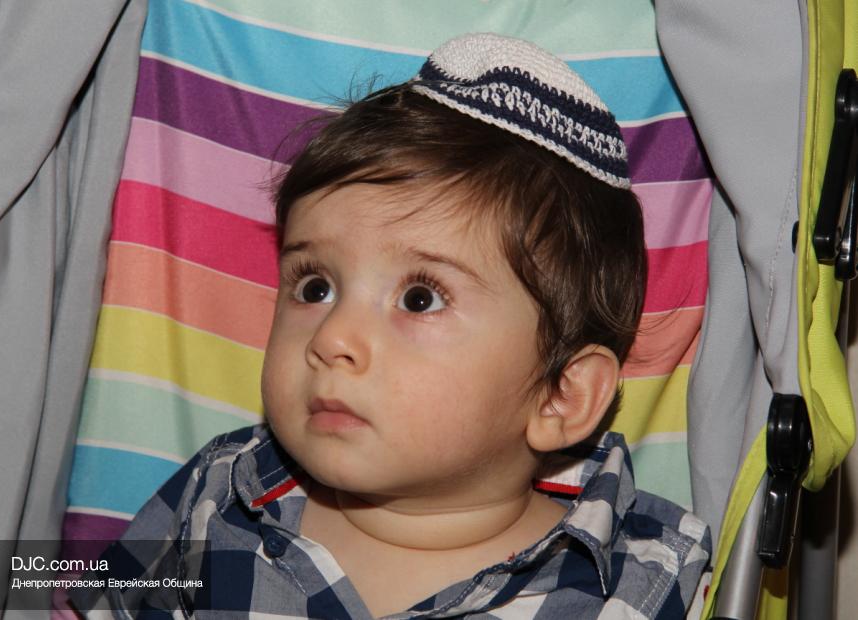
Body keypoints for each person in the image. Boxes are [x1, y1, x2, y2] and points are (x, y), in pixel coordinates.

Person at [72, 33, 710, 618]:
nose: (331, 339)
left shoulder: (643, 583)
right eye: (315, 288)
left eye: (420, 299)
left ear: (560, 396)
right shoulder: (217, 495)